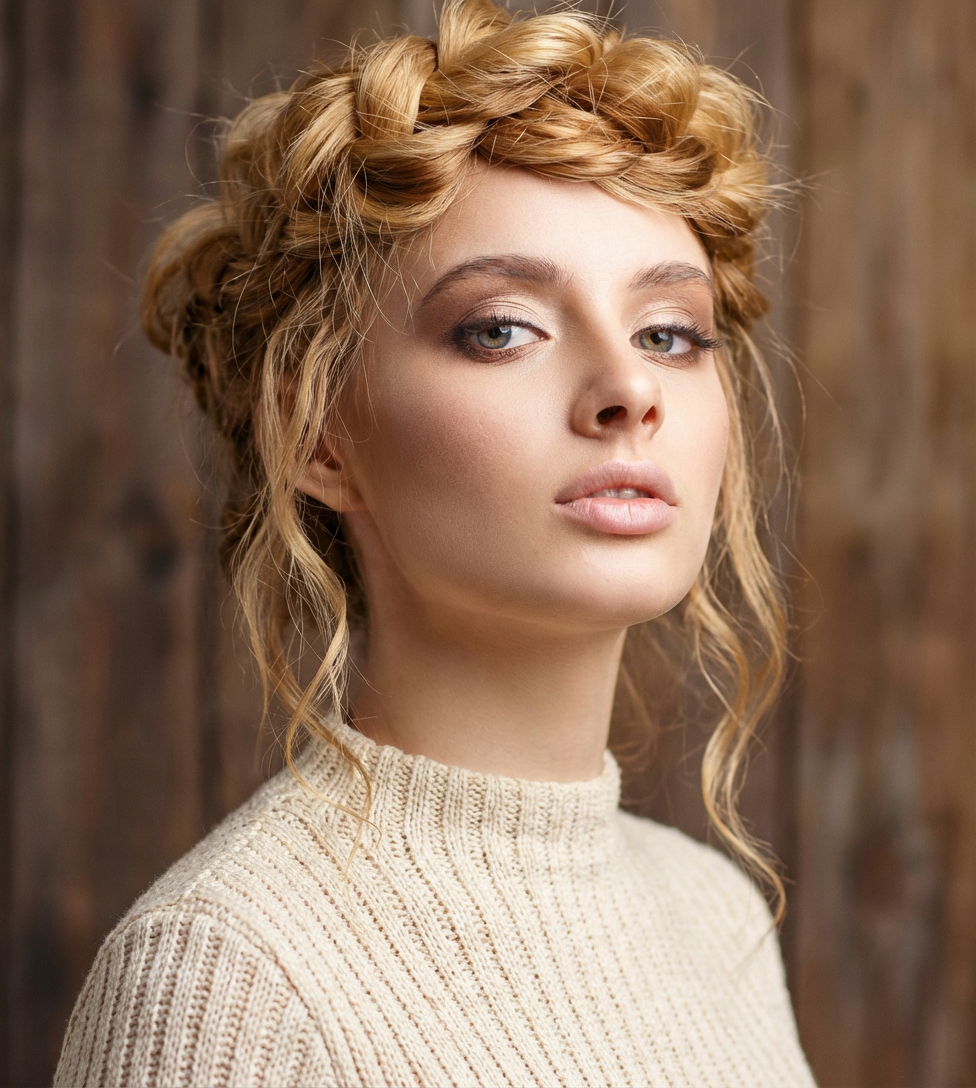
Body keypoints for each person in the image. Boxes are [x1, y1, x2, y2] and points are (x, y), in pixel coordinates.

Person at [54, 1, 815, 1084]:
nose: (627, 390)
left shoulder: (716, 914)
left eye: (668, 333)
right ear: (317, 431)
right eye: (500, 327)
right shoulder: (225, 973)